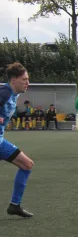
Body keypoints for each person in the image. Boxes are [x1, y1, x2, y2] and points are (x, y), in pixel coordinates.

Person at [1, 63, 35, 218]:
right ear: (13, 80)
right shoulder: (5, 92)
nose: (27, 82)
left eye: (28, 79)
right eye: (24, 79)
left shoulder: (14, 93)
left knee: (27, 165)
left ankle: (15, 205)